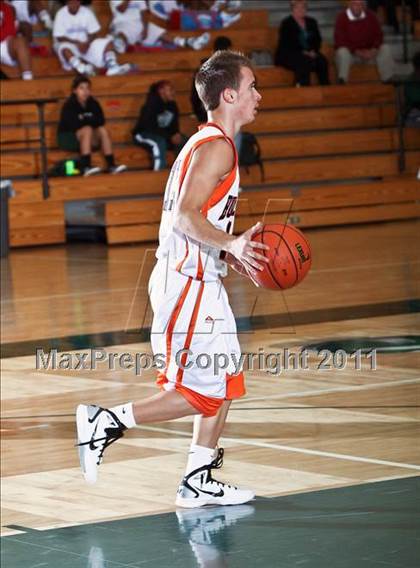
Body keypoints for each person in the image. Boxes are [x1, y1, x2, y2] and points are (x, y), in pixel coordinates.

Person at [76, 50, 269, 508]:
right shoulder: (218, 146)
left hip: (204, 281)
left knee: (226, 381)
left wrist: (230, 252)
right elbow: (184, 216)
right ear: (229, 94)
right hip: (185, 285)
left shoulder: (210, 141)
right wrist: (234, 244)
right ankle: (105, 421)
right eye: (252, 86)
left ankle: (197, 479)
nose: (258, 95)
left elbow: (197, 218)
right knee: (200, 391)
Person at [57, 75, 127, 176]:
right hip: (68, 137)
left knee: (102, 130)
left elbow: (101, 121)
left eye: (87, 88)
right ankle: (86, 166)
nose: (85, 91)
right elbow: (74, 125)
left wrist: (85, 121)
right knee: (87, 129)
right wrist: (90, 121)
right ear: (75, 90)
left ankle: (111, 165)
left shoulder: (93, 103)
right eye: (81, 88)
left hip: (88, 136)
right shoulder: (69, 105)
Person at [53, 0, 131, 76]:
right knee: (63, 48)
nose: (75, 3)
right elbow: (59, 37)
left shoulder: (86, 12)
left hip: (86, 44)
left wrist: (88, 43)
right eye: (72, 1)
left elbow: (93, 33)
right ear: (67, 2)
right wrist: (77, 43)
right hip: (72, 45)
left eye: (77, 1)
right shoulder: (61, 13)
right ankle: (82, 69)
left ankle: (112, 67)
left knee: (107, 42)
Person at [109, 0, 210, 53]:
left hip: (139, 24)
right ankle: (119, 48)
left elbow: (144, 12)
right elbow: (121, 8)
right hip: (122, 23)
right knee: (122, 33)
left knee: (161, 32)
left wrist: (145, 28)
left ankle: (189, 42)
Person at [334, 0, 395, 84]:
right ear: (349, 5)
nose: (358, 7)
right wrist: (357, 51)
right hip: (352, 55)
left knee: (385, 48)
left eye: (360, 4)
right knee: (342, 51)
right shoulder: (341, 18)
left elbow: (379, 35)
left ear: (364, 5)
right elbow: (340, 41)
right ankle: (342, 80)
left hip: (369, 53)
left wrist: (374, 50)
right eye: (355, 4)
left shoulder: (371, 16)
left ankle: (387, 79)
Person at [132, 80, 188, 170]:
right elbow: (150, 127)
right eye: (170, 89)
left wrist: (175, 133)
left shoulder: (173, 105)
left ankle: (182, 170)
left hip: (164, 135)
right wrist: (169, 136)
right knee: (158, 143)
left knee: (185, 141)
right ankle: (159, 171)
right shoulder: (151, 105)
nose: (173, 92)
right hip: (143, 134)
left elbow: (174, 124)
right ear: (161, 91)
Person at [275, 0, 329, 87]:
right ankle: (302, 87)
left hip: (310, 53)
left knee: (322, 61)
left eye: (303, 7)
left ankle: (326, 88)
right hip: (289, 54)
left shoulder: (312, 22)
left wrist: (313, 51)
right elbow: (287, 44)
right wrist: (303, 52)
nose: (301, 10)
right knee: (304, 61)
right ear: (293, 9)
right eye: (298, 7)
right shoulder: (286, 23)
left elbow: (317, 40)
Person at [191, 35, 232, 123]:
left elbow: (194, 95)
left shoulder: (202, 68)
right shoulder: (229, 70)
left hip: (208, 112)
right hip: (215, 112)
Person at [0, 0, 33, 80]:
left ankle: (28, 80)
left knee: (20, 41)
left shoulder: (6, 7)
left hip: (3, 43)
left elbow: (10, 31)